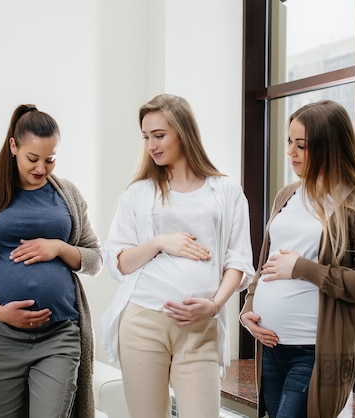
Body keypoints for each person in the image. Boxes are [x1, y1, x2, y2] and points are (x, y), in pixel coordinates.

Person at [100, 94, 255, 418]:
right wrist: (159, 242)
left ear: (183, 132)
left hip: (201, 327)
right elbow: (120, 262)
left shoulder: (225, 191)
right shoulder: (138, 193)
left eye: (159, 135)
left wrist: (214, 305)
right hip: (144, 321)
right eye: (146, 137)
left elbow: (238, 261)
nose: (151, 145)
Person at [240, 100, 355, 418]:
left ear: (330, 148)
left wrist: (303, 268)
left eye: (302, 146)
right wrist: (249, 308)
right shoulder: (287, 194)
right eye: (289, 142)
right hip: (270, 346)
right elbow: (267, 262)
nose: (290, 153)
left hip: (313, 353)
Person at [0, 104, 103, 418]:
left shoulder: (68, 195)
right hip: (1, 338)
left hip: (59, 335)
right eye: (32, 159)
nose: (41, 168)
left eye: (50, 159)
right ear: (13, 146)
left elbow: (95, 259)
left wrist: (59, 247)